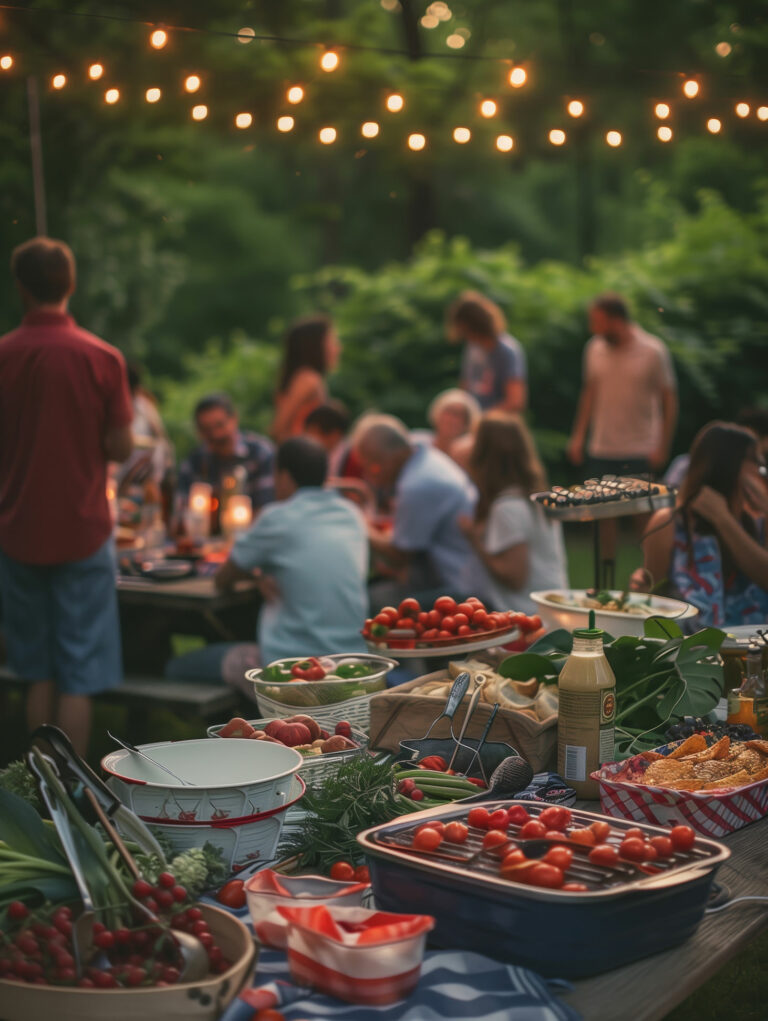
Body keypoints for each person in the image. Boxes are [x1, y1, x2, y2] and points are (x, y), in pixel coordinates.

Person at [0, 237, 133, 755]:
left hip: (16, 530)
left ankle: (38, 788)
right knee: (78, 673)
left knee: (37, 671)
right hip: (82, 529)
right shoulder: (102, 358)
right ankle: (73, 798)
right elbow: (119, 446)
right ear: (71, 285)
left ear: (19, 287)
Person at [167, 438, 369, 688]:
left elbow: (223, 578)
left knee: (176, 667)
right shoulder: (351, 515)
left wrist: (254, 574)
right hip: (354, 661)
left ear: (284, 476)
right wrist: (261, 574)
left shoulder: (278, 517)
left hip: (292, 668)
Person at [642, 421, 768, 628]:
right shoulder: (670, 523)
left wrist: (724, 520)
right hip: (691, 655)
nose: (761, 472)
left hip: (755, 653)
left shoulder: (759, 521)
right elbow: (649, 599)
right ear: (730, 466)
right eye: (757, 462)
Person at [353, 414, 477, 599]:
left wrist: (358, 523)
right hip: (462, 574)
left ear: (394, 456)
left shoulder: (417, 485)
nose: (370, 476)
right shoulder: (425, 456)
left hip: (456, 589)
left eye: (374, 468)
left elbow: (400, 557)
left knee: (368, 600)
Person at [459, 412, 568, 613]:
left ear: (484, 454)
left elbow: (514, 578)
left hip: (525, 616)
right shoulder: (535, 498)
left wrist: (474, 540)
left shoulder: (507, 508)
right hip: (553, 608)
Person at [567, 293, 678, 478]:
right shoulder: (593, 348)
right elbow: (589, 393)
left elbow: (668, 399)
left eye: (598, 322)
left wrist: (663, 446)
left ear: (616, 320)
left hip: (640, 449)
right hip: (601, 449)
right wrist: (578, 436)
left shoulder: (653, 351)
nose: (593, 328)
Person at [177, 393, 275, 521]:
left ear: (234, 419)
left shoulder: (260, 454)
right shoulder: (194, 463)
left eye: (220, 425)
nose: (215, 435)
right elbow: (181, 516)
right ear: (199, 432)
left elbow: (267, 512)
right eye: (207, 429)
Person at [446, 291, 527, 413]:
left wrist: (482, 421)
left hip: (497, 426)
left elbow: (515, 402)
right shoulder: (472, 348)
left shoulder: (508, 351)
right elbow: (465, 389)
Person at [272, 315, 341, 443]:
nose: (338, 348)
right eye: (332, 341)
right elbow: (278, 427)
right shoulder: (308, 379)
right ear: (316, 346)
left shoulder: (308, 377)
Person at [412, 388, 481, 467]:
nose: (452, 420)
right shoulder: (417, 442)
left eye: (459, 415)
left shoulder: (470, 455)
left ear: (468, 422)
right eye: (448, 412)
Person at [304, 401, 364, 479]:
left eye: (313, 433)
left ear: (334, 435)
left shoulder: (354, 461)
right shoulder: (316, 457)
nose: (307, 440)